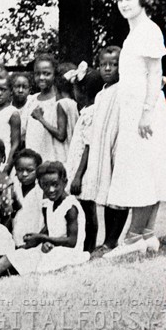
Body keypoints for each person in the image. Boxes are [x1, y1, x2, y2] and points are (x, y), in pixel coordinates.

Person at [103, 0, 166, 258]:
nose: (124, 4)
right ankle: (146, 234)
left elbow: (156, 72)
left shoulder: (148, 30)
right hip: (135, 110)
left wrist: (147, 112)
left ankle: (133, 237)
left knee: (144, 172)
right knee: (146, 170)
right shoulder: (135, 33)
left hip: (145, 114)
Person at [84, 46, 128, 253]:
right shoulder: (101, 94)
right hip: (103, 150)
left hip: (119, 147)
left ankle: (112, 239)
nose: (108, 69)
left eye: (114, 64)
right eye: (103, 65)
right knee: (108, 195)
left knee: (118, 195)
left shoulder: (125, 89)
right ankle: (108, 241)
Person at [65, 67, 104, 252]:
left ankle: (89, 247)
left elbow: (88, 145)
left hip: (85, 171)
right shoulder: (87, 110)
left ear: (83, 91)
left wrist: (78, 175)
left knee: (88, 209)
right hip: (80, 168)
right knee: (85, 208)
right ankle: (84, 246)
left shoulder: (91, 113)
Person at [26, 52, 69, 163]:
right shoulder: (31, 100)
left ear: (54, 75)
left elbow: (61, 135)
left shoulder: (59, 101)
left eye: (46, 73)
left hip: (54, 159)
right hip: (34, 160)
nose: (41, 77)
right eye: (37, 74)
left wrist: (41, 119)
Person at [11, 149, 44, 248]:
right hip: (15, 241)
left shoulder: (41, 191)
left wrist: (37, 239)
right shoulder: (13, 187)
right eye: (20, 170)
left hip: (36, 242)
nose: (24, 174)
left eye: (29, 170)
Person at [10, 72, 34, 147]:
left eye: (24, 87)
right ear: (11, 89)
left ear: (30, 90)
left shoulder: (33, 103)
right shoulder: (7, 106)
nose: (20, 90)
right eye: (17, 87)